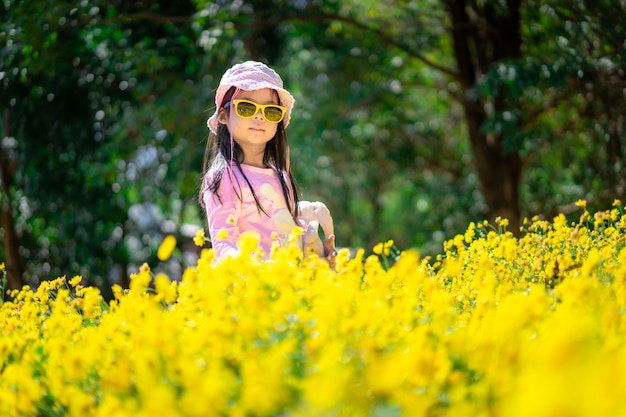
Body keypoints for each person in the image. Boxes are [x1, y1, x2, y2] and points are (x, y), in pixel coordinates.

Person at [199, 60, 336, 263]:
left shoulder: (280, 175)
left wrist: (318, 258)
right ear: (223, 116)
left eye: (271, 111)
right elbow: (224, 243)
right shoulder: (224, 177)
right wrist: (261, 269)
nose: (260, 116)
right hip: (250, 288)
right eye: (246, 107)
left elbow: (287, 228)